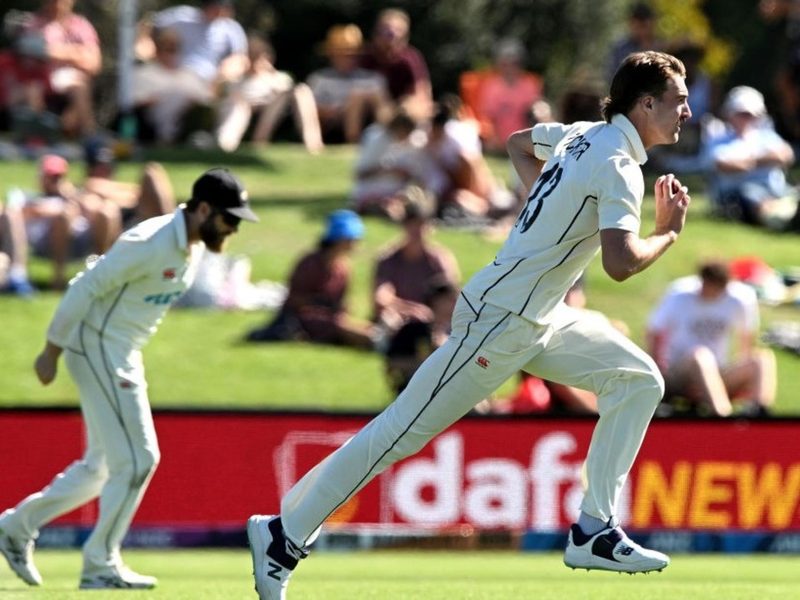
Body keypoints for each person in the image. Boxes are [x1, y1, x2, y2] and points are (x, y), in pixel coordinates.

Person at [247, 50, 692, 597]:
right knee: (397, 435)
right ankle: (283, 536)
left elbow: (519, 143)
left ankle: (594, 529)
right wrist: (667, 232)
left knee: (638, 380)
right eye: (678, 100)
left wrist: (548, 211)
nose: (687, 111)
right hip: (501, 321)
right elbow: (620, 265)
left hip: (538, 316)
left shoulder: (581, 135)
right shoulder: (619, 164)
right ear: (645, 104)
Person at [0, 168, 258, 589]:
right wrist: (51, 349)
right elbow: (85, 286)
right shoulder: (149, 241)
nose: (233, 228)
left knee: (101, 468)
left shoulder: (191, 245)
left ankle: (15, 527)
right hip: (99, 348)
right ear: (203, 210)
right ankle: (100, 562)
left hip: (119, 352)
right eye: (229, 218)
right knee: (140, 459)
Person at [646, 260, 777, 417]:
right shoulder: (680, 294)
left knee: (761, 359)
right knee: (701, 355)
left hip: (716, 373)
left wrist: (742, 372)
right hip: (678, 373)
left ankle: (760, 413)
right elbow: (654, 332)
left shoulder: (740, 298)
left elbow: (747, 338)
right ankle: (722, 416)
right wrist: (659, 370)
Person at [246, 210, 375, 349]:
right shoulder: (310, 263)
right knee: (341, 327)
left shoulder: (344, 268)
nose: (355, 244)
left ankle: (376, 338)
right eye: (352, 240)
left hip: (330, 318)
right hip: (301, 319)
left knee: (358, 326)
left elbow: (342, 303)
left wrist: (341, 309)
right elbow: (295, 300)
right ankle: (373, 342)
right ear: (339, 239)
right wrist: (319, 304)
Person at [2, 154, 120, 292]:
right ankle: (58, 279)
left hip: (79, 241)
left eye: (58, 177)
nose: (55, 181)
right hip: (45, 242)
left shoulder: (75, 195)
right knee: (63, 216)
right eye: (51, 177)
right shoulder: (27, 197)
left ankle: (103, 271)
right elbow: (17, 213)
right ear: (41, 177)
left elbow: (93, 209)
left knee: (107, 212)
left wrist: (72, 196)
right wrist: (60, 210)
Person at [705, 85, 798, 229]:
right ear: (730, 114)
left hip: (775, 189)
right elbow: (724, 165)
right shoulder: (719, 139)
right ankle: (779, 221)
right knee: (751, 194)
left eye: (750, 115)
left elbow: (786, 156)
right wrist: (764, 160)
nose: (746, 119)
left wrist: (749, 162)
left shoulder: (767, 136)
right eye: (741, 114)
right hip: (738, 194)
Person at [216, 35, 324, 154]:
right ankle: (227, 143)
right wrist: (225, 75)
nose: (257, 60)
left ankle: (313, 143)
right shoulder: (236, 78)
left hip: (271, 111)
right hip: (241, 107)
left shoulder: (278, 78)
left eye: (261, 56)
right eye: (253, 56)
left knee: (301, 91)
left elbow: (289, 90)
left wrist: (270, 73)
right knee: (238, 105)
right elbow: (217, 95)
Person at [373, 193, 460, 337]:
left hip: (432, 321)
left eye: (421, 225)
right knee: (389, 318)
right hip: (400, 317)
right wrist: (411, 309)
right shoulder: (388, 260)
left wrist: (429, 313)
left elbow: (451, 299)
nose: (417, 231)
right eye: (413, 225)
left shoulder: (439, 260)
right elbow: (381, 298)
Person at [24, 0, 101, 137]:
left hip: (69, 81)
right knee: (32, 88)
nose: (57, 5)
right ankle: (35, 136)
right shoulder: (34, 23)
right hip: (40, 78)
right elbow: (30, 57)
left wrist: (58, 52)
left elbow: (94, 63)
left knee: (80, 85)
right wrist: (77, 52)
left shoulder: (81, 25)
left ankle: (90, 135)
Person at [307, 24, 392, 144]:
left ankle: (389, 139)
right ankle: (353, 142)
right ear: (332, 55)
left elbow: (384, 106)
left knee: (363, 96)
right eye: (341, 54)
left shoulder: (372, 78)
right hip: (331, 125)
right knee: (356, 98)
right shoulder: (319, 79)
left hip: (368, 122)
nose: (347, 59)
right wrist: (336, 111)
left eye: (352, 55)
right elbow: (309, 109)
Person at [131, 27, 214, 145]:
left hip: (186, 122)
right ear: (158, 49)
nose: (170, 52)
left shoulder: (189, 75)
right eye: (166, 48)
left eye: (174, 48)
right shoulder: (143, 73)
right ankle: (164, 137)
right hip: (151, 123)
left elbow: (206, 100)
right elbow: (134, 102)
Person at [79, 137, 176, 229]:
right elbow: (98, 188)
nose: (104, 170)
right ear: (90, 168)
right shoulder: (90, 185)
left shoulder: (118, 187)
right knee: (150, 173)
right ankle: (172, 228)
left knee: (153, 170)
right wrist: (134, 195)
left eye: (107, 166)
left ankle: (172, 226)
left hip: (133, 219)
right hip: (120, 225)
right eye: (99, 166)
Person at [359, 8, 433, 122]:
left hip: (404, 113)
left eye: (397, 32)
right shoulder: (366, 57)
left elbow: (422, 91)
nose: (391, 37)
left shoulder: (410, 59)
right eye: (385, 31)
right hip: (373, 112)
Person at [350, 110, 425, 220]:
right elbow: (360, 174)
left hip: (397, 193)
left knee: (419, 202)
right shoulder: (375, 138)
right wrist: (389, 171)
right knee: (390, 211)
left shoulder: (406, 143)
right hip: (371, 193)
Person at [477, 38, 545, 153]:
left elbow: (539, 115)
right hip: (499, 144)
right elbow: (487, 119)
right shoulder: (491, 87)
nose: (509, 68)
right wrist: (495, 141)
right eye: (505, 64)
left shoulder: (530, 85)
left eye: (514, 63)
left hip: (526, 142)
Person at [607, 2, 661, 82]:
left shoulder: (661, 47)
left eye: (644, 26)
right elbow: (612, 76)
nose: (642, 31)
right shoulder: (621, 49)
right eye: (638, 26)